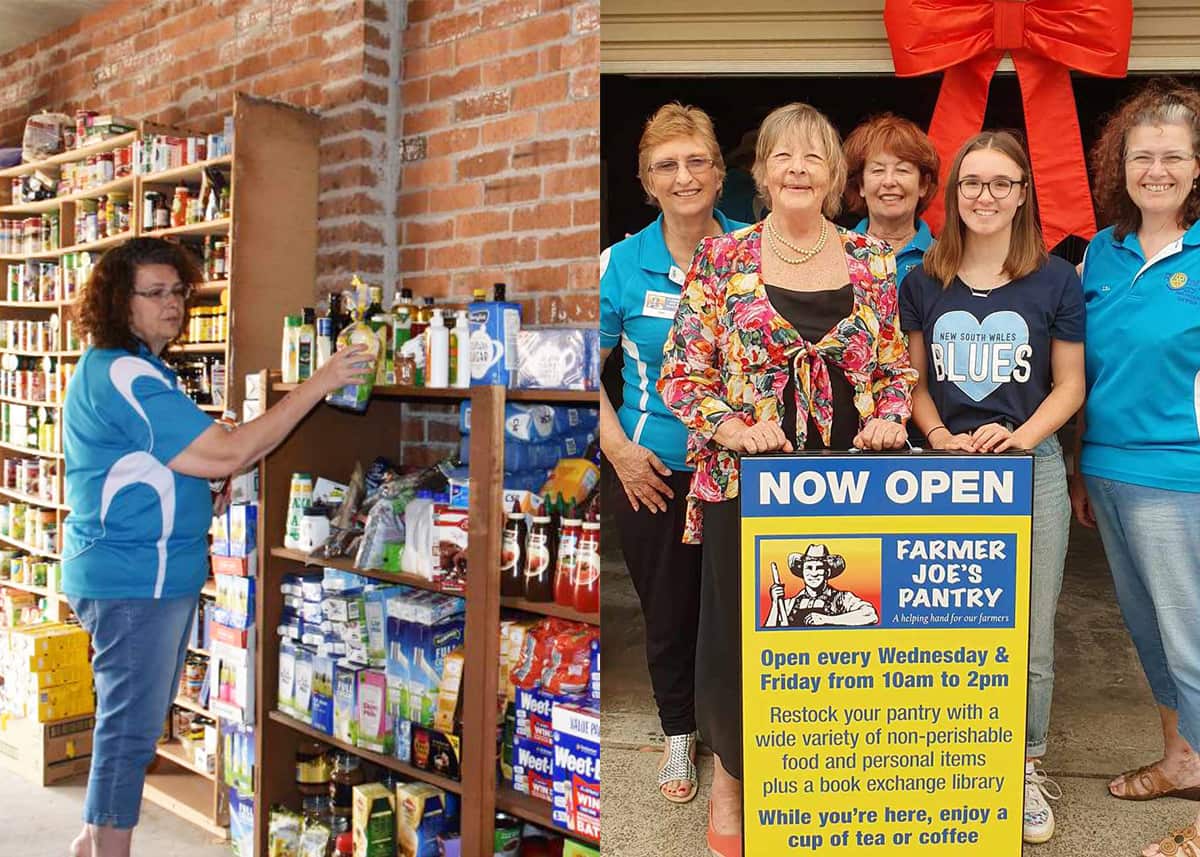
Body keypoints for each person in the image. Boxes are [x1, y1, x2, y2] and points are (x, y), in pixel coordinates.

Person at [659, 101, 915, 857]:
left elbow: (893, 366)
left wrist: (889, 416)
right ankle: (734, 782)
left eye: (813, 157)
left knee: (841, 618)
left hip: (850, 478)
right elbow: (681, 372)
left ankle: (825, 772)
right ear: (761, 174)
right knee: (744, 626)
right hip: (751, 478)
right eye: (782, 157)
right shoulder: (723, 258)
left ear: (837, 176)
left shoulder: (872, 259)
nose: (797, 169)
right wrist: (734, 428)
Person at [63, 237, 371, 857]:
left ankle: (89, 843)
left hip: (146, 577)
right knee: (129, 734)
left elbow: (176, 456)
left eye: (177, 290)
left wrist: (205, 485)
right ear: (118, 302)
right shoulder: (124, 372)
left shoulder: (138, 367)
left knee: (131, 725)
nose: (172, 304)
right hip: (132, 582)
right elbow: (228, 450)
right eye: (154, 293)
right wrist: (322, 380)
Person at [898, 130, 1085, 845]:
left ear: (1022, 194)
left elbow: (1069, 385)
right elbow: (913, 382)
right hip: (941, 470)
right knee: (943, 621)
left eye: (1001, 182)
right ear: (952, 194)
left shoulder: (1055, 278)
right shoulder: (922, 281)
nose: (985, 195)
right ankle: (951, 761)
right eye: (972, 182)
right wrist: (940, 437)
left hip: (1027, 468)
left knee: (1028, 629)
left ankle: (1025, 763)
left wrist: (1023, 437)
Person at [600, 103, 747, 805]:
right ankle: (680, 733)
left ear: (720, 174)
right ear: (647, 180)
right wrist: (621, 452)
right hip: (652, 471)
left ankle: (742, 736)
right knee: (669, 610)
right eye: (667, 165)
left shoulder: (757, 249)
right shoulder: (620, 263)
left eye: (697, 161)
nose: (683, 177)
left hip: (744, 471)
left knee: (743, 609)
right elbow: (575, 366)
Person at [1071, 79, 1200, 857]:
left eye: (1173, 157)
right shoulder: (1101, 252)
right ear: (1120, 165)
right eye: (1142, 155)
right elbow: (1088, 369)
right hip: (1107, 470)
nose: (1156, 169)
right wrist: (1083, 466)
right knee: (1151, 635)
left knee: (1193, 645)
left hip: (1180, 476)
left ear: (1198, 168)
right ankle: (1182, 758)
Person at [844, 113, 940, 286]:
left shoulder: (945, 259)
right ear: (861, 185)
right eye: (877, 170)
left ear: (923, 185)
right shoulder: (836, 253)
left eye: (902, 170)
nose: (889, 181)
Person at [764, 544, 877, 628]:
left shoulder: (842, 598)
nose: (813, 573)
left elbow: (870, 615)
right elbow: (767, 634)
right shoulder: (789, 604)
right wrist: (775, 603)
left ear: (827, 572)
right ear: (802, 572)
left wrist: (826, 619)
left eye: (819, 568)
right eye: (809, 568)